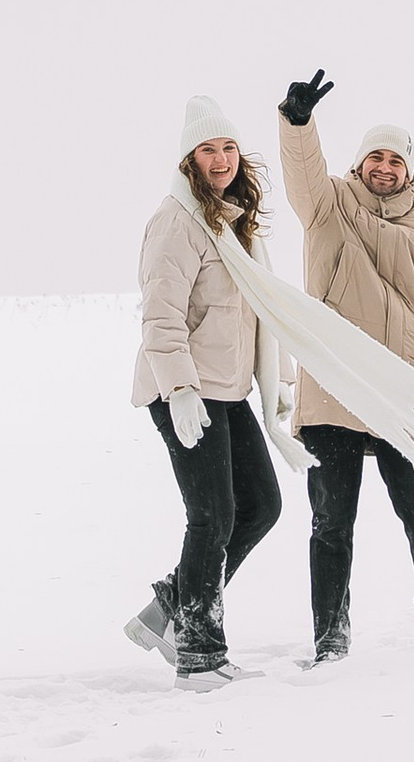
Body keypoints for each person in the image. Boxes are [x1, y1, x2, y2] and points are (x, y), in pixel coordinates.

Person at [276, 69, 414, 657]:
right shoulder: (329, 206)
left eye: (396, 160)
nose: (384, 168)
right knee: (331, 525)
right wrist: (298, 123)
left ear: (411, 170)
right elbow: (303, 172)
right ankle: (330, 637)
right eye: (375, 157)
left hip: (399, 394)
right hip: (333, 390)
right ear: (361, 163)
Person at [128, 94, 298, 679]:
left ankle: (172, 606)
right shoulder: (175, 223)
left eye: (228, 147)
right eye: (208, 148)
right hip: (182, 391)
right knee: (213, 515)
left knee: (261, 506)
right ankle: (198, 653)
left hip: (227, 389)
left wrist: (278, 383)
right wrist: (178, 390)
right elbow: (161, 316)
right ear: (188, 160)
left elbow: (263, 311)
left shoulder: (233, 225)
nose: (221, 158)